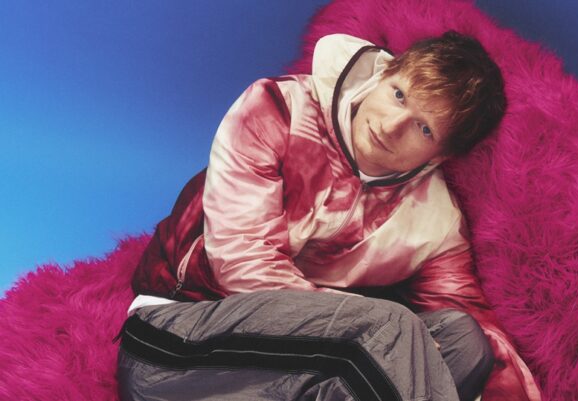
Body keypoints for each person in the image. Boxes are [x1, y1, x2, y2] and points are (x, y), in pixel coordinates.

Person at [118, 31, 540, 401]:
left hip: (308, 368)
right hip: (179, 341)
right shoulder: (279, 108)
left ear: (440, 156)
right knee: (393, 327)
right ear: (383, 74)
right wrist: (375, 327)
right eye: (398, 95)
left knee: (465, 341)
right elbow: (241, 262)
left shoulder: (434, 221)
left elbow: (478, 328)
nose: (391, 125)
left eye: (423, 128)